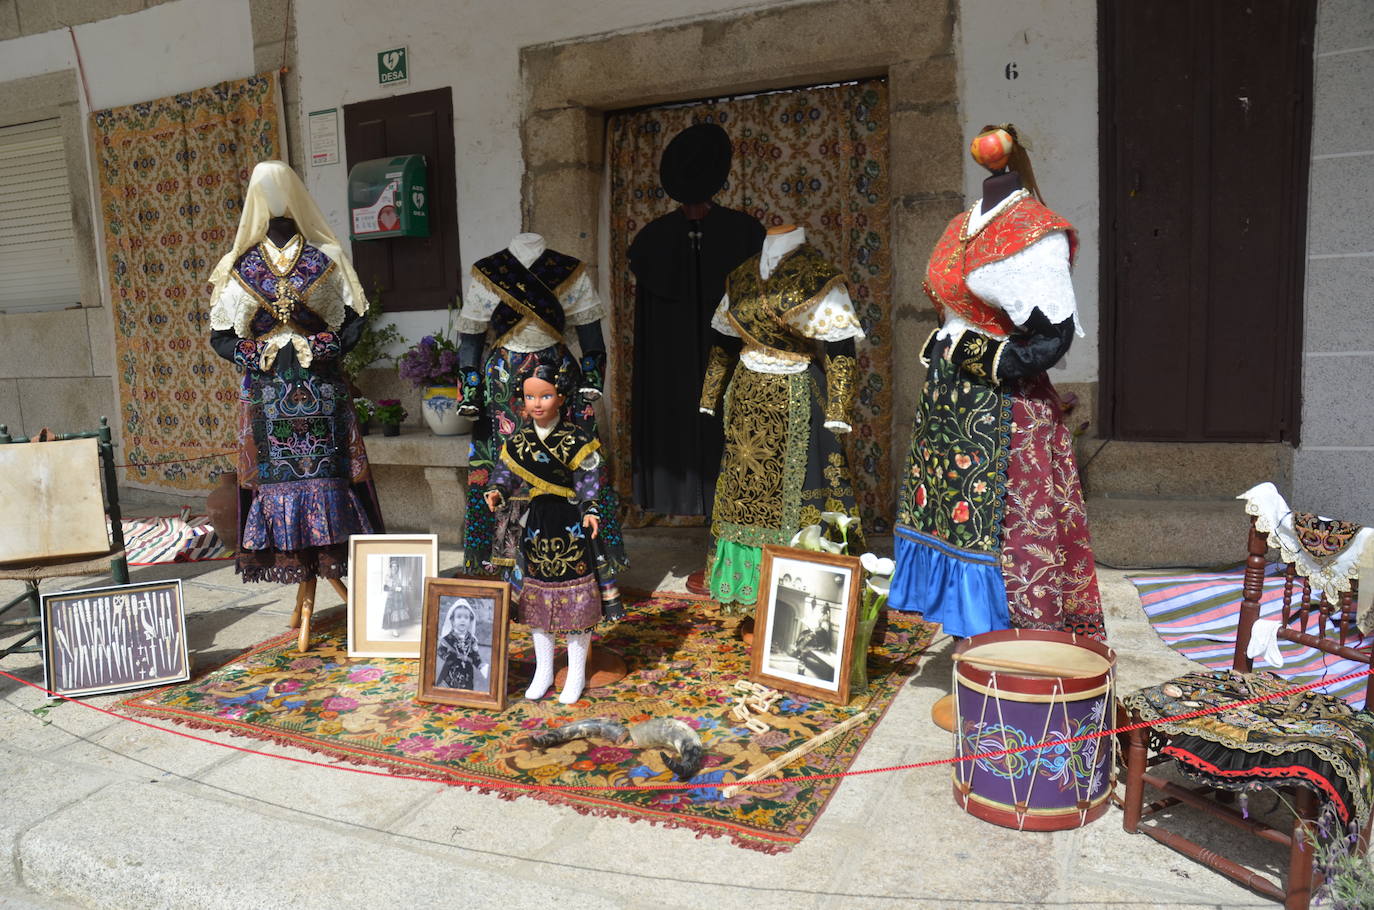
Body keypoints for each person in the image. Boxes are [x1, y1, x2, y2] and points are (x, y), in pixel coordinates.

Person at [889, 124, 1105, 641]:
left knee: (1006, 529)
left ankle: (1017, 651)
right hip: (949, 404)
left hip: (1003, 411)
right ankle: (971, 637)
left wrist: (977, 354)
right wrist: (951, 348)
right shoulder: (962, 224)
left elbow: (1049, 341)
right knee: (948, 517)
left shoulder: (1035, 230)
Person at [206, 160, 382, 584]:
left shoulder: (327, 258)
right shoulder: (236, 267)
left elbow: (355, 319)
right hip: (266, 395)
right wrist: (255, 353)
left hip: (322, 389)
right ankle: (290, 561)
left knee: (331, 472)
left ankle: (333, 556)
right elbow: (221, 336)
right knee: (271, 477)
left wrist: (324, 346)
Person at [699, 224, 866, 612]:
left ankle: (800, 601)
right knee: (741, 494)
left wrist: (839, 408)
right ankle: (745, 597)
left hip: (797, 401)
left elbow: (840, 349)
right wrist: (710, 394)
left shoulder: (818, 276)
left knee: (802, 492)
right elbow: (723, 344)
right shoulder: (741, 274)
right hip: (745, 401)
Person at [456, 233, 626, 582]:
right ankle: (505, 565)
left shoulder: (569, 272)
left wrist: (593, 379)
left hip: (559, 380)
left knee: (569, 458)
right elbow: (470, 339)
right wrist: (470, 393)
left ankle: (575, 558)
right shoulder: (490, 272)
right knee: (503, 466)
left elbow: (592, 339)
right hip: (503, 386)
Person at [484, 354, 624, 704]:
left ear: (561, 397)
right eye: (530, 397)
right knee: (537, 599)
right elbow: (505, 472)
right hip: (536, 526)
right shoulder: (518, 441)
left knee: (577, 600)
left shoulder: (577, 438)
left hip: (572, 525)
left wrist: (591, 510)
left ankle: (576, 672)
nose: (537, 404)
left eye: (545, 396)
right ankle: (543, 670)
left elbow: (590, 478)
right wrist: (497, 490)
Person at [435, 600, 486, 690]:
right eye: (459, 617)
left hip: (467, 672)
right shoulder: (448, 638)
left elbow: (475, 655)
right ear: (452, 621)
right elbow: (440, 650)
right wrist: (448, 656)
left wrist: (479, 664)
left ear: (470, 621)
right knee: (450, 687)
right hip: (451, 669)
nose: (463, 620)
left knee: (466, 688)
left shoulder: (471, 639)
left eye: (466, 617)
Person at [380, 559, 416, 637]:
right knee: (393, 613)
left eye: (396, 567)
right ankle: (394, 630)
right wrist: (395, 588)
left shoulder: (397, 576)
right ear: (390, 568)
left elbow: (399, 586)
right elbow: (385, 587)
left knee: (399, 613)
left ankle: (396, 629)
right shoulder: (388, 576)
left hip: (399, 597)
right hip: (392, 597)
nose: (394, 568)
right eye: (393, 567)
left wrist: (404, 587)